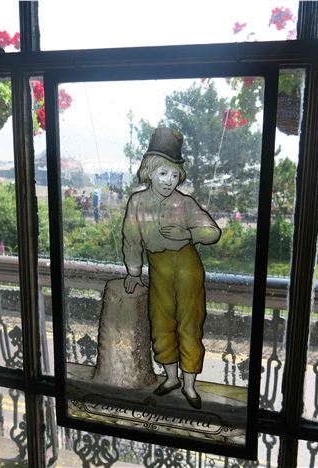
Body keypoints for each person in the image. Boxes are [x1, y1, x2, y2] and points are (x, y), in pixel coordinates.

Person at [122, 127, 221, 409]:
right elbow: (131, 239)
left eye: (174, 174)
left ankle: (190, 385)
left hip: (188, 267)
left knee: (190, 323)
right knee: (161, 320)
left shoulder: (185, 203)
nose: (169, 180)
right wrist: (132, 271)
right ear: (149, 171)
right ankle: (170, 377)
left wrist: (188, 235)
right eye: (163, 173)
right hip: (158, 269)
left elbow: (212, 232)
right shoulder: (137, 203)